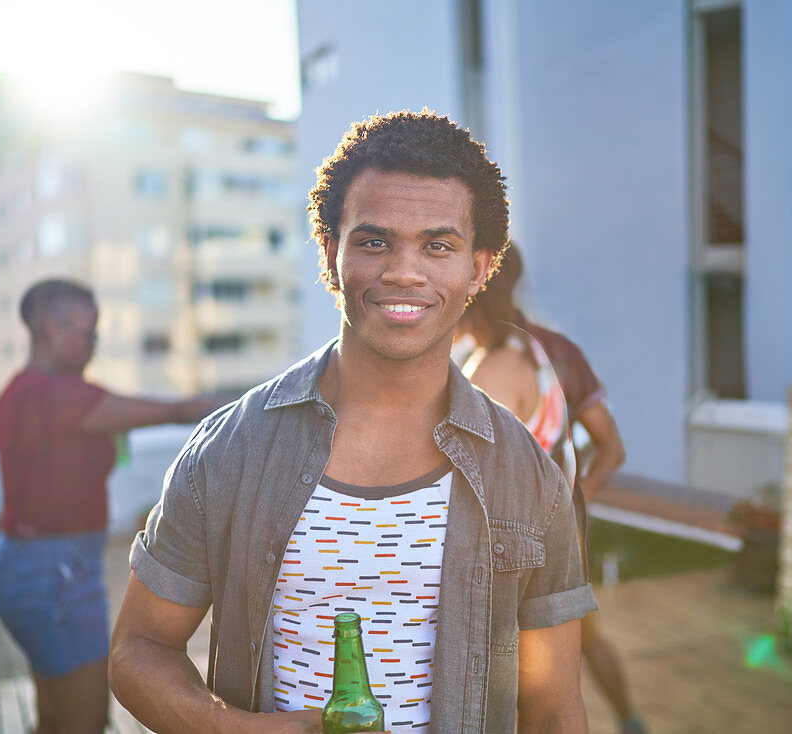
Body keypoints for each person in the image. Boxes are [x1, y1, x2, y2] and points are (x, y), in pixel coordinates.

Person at [108, 110, 596, 733]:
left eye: (438, 245)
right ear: (331, 250)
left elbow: (555, 713)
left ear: (479, 267)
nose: (403, 271)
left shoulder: (530, 479)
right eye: (374, 241)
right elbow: (138, 651)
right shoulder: (229, 450)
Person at [0, 278, 221, 734]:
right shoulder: (51, 395)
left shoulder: (25, 392)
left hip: (35, 568)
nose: (93, 347)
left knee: (55, 717)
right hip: (55, 575)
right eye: (87, 334)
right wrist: (255, 408)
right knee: (85, 721)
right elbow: (174, 411)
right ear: (51, 329)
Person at [457, 243, 644, 734]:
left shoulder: (494, 369)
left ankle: (630, 720)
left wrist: (565, 508)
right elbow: (610, 449)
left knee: (528, 671)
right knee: (575, 644)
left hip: (518, 545)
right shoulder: (548, 350)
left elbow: (471, 479)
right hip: (558, 538)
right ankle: (632, 721)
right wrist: (573, 510)